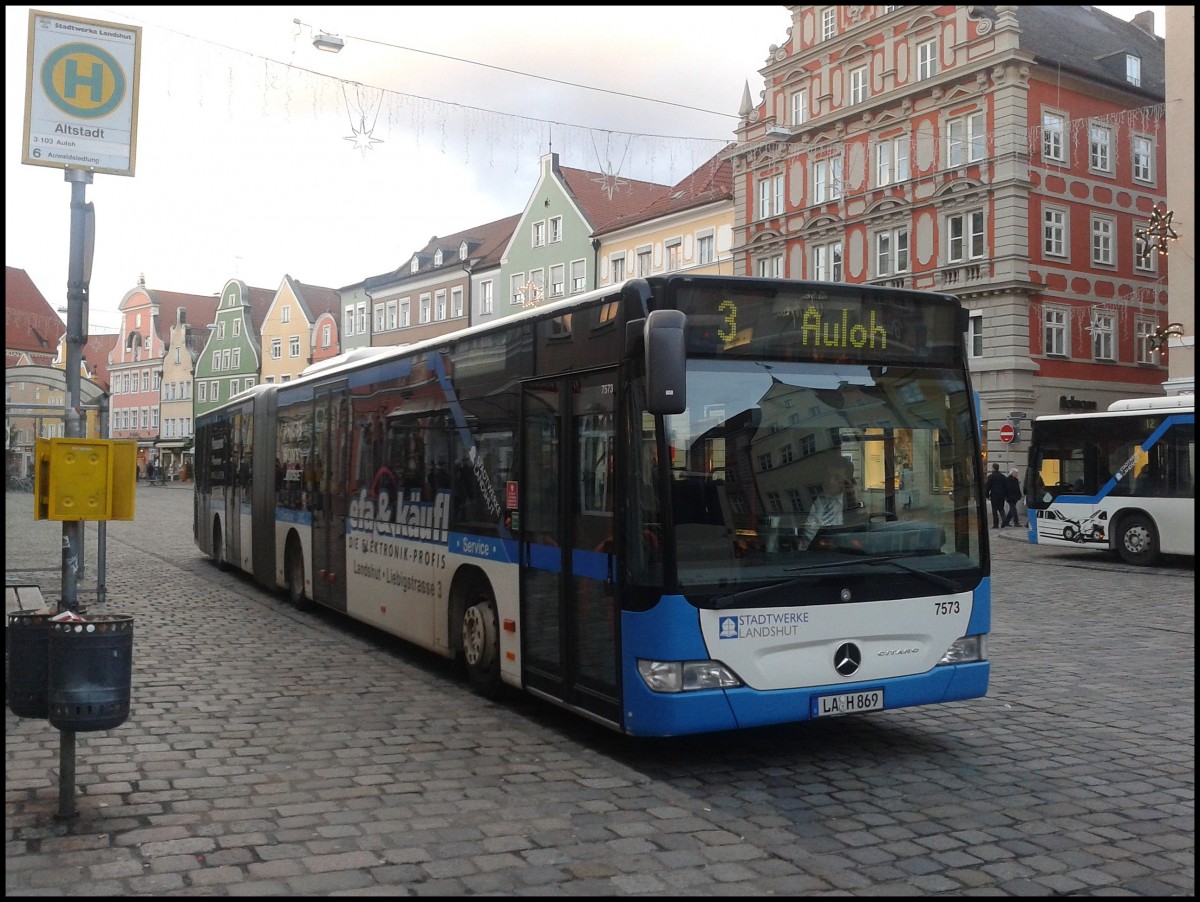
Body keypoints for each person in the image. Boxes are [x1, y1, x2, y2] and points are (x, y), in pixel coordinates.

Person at [798, 457, 863, 550]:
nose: (830, 481)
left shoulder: (852, 503)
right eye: (828, 476)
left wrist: (854, 498)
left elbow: (860, 532)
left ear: (847, 482)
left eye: (837, 478)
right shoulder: (810, 499)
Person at [985, 462, 1007, 529]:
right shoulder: (1003, 477)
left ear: (993, 468)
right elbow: (1006, 487)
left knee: (994, 510)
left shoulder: (991, 476)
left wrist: (987, 495)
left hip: (994, 495)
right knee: (1001, 509)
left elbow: (987, 486)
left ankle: (996, 524)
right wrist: (1005, 495)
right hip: (1002, 495)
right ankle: (1004, 520)